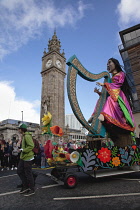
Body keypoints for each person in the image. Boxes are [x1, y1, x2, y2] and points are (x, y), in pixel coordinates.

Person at [96, 58, 135, 136]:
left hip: (119, 95)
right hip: (114, 94)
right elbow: (108, 91)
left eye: (109, 62)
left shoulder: (121, 74)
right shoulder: (111, 78)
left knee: (110, 99)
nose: (108, 64)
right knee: (101, 100)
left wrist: (104, 84)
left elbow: (118, 84)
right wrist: (99, 92)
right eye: (107, 63)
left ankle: (103, 115)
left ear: (115, 63)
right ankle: (95, 115)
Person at [17, 123, 35, 196]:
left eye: (19, 129)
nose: (18, 130)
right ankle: (25, 186)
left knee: (28, 174)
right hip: (23, 157)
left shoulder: (27, 136)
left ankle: (32, 189)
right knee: (19, 171)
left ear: (21, 129)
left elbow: (31, 146)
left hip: (28, 157)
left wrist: (22, 150)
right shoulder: (24, 136)